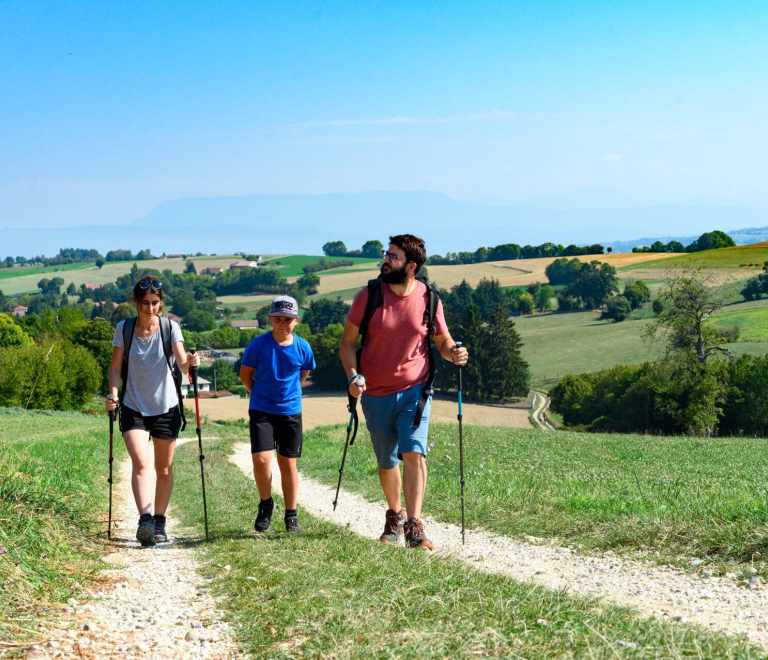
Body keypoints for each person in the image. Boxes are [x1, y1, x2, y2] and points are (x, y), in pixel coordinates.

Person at [340, 234, 469, 549]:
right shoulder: (368, 296)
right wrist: (354, 375)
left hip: (416, 388)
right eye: (387, 254)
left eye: (393, 256)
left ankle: (414, 525)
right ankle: (395, 516)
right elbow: (347, 343)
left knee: (414, 451)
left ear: (412, 266)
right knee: (387, 461)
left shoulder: (429, 298)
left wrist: (454, 352)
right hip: (375, 392)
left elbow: (442, 340)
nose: (386, 259)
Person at [106, 275, 199, 547]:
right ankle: (144, 520)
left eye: (155, 303)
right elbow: (114, 368)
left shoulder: (171, 329)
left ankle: (159, 522)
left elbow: (182, 365)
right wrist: (113, 394)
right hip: (133, 405)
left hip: (166, 407)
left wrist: (191, 362)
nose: (150, 308)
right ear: (135, 302)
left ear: (161, 303)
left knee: (164, 468)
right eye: (144, 303)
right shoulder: (124, 329)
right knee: (141, 463)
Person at [239, 295, 316, 533]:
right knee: (261, 459)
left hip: (290, 411)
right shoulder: (258, 345)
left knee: (287, 462)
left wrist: (289, 394)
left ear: (296, 320)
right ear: (270, 319)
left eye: (289, 319)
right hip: (261, 410)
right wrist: (258, 394)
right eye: (279, 319)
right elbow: (245, 376)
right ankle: (265, 504)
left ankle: (291, 514)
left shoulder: (303, 347)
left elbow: (303, 374)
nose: (284, 323)